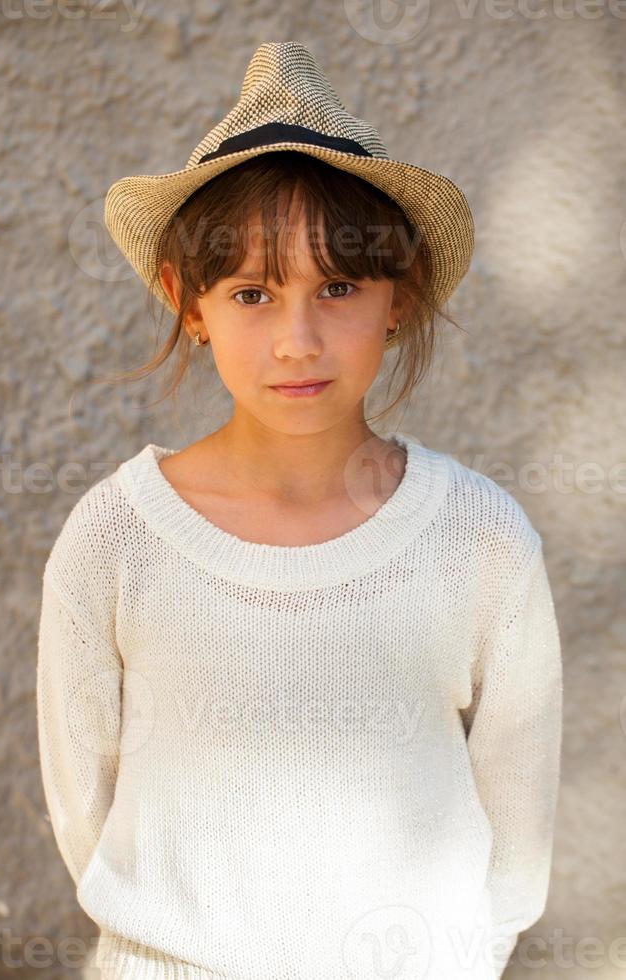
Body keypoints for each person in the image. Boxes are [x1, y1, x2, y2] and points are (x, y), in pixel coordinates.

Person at [36, 41, 563, 980]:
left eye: (339, 286)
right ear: (186, 303)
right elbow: (88, 807)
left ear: (397, 298)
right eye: (250, 293)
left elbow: (515, 826)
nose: (298, 339)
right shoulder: (118, 538)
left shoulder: (479, 539)